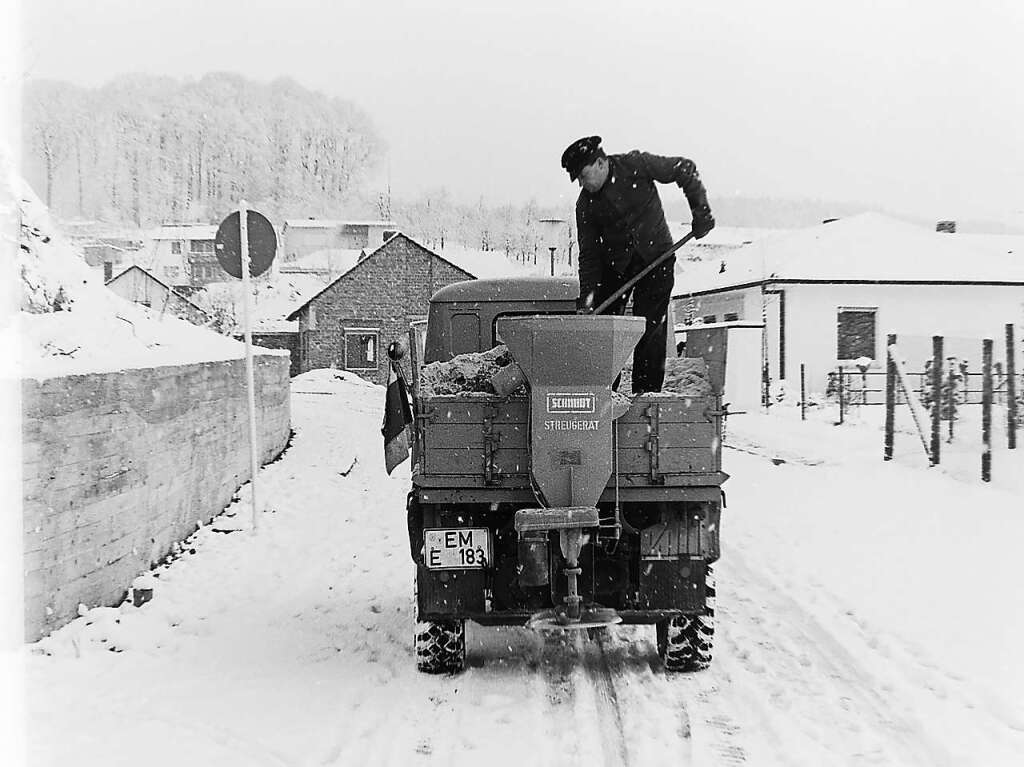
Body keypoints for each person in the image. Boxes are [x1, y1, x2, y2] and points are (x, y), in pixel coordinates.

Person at [561, 135, 715, 393]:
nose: (581, 183)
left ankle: (646, 397)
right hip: (615, 269)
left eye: (583, 175)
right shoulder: (585, 205)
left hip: (657, 260)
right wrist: (587, 301)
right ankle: (603, 394)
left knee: (651, 329)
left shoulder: (636, 164)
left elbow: (684, 169)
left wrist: (701, 213)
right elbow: (589, 256)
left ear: (600, 163)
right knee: (605, 331)